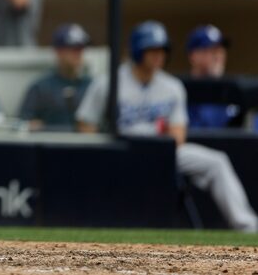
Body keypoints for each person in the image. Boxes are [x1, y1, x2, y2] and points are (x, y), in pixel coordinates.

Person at [76, 21, 258, 232]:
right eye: (152, 50)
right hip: (120, 152)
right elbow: (85, 123)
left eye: (162, 51)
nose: (158, 56)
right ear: (137, 50)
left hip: (162, 152)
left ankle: (248, 226)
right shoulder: (108, 82)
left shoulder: (172, 87)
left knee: (217, 161)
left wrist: (159, 141)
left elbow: (178, 135)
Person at [19, 23, 92, 131]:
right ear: (58, 51)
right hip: (50, 145)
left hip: (88, 146)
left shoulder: (91, 85)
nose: (79, 54)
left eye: (81, 48)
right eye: (74, 48)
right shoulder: (41, 87)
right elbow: (23, 124)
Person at [185, 25, 241, 129]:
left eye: (220, 50)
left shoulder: (234, 90)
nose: (218, 55)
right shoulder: (180, 90)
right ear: (193, 56)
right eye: (211, 50)